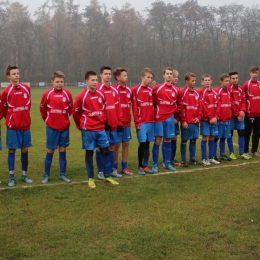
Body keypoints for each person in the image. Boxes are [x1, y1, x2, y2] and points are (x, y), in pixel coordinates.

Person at [73, 70, 119, 188]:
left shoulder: (101, 94)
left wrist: (103, 121)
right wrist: (81, 125)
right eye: (92, 80)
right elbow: (76, 113)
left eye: (96, 80)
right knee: (89, 153)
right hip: (88, 130)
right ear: (86, 81)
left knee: (105, 151)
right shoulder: (81, 97)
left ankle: (107, 175)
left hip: (100, 129)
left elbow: (103, 110)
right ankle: (91, 178)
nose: (95, 82)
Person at [1, 65, 33, 187]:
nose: (16, 75)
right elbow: (3, 109)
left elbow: (28, 105)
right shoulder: (6, 92)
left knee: (25, 149)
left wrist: (24, 117)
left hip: (25, 125)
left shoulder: (26, 88)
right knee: (12, 150)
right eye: (14, 74)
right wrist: (12, 119)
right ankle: (11, 177)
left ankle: (24, 175)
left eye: (17, 73)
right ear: (8, 76)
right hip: (13, 127)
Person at [40, 71, 73, 184]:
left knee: (63, 150)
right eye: (57, 82)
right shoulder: (47, 94)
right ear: (52, 82)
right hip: (52, 128)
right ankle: (46, 175)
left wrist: (63, 120)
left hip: (64, 128)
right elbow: (42, 109)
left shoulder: (67, 94)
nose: (59, 84)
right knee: (50, 150)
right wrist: (48, 121)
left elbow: (70, 109)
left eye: (61, 82)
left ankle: (62, 174)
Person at [95, 66, 123, 179]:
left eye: (109, 74)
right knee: (101, 148)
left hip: (113, 125)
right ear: (100, 75)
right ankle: (100, 171)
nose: (108, 76)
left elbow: (118, 108)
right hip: (102, 126)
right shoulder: (98, 90)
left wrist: (119, 122)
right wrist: (103, 121)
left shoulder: (114, 90)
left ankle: (111, 169)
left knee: (112, 146)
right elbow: (97, 109)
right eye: (105, 73)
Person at [152, 67, 178, 172]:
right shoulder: (158, 88)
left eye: (171, 74)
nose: (169, 75)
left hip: (170, 118)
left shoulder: (176, 90)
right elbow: (153, 102)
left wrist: (177, 117)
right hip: (159, 118)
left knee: (168, 140)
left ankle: (167, 163)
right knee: (158, 140)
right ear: (163, 75)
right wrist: (153, 91)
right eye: (167, 73)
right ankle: (154, 164)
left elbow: (179, 104)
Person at [132, 68, 155, 175]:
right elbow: (135, 108)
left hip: (151, 121)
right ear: (142, 77)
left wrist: (154, 91)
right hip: (142, 122)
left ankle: (145, 165)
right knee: (142, 143)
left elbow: (155, 103)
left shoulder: (151, 90)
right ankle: (139, 166)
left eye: (151, 78)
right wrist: (137, 122)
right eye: (148, 77)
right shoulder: (135, 90)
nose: (149, 80)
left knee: (147, 144)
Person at [113, 67, 134, 176]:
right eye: (124, 75)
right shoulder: (113, 90)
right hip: (117, 123)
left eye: (126, 75)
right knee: (116, 145)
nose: (126, 77)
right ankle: (114, 167)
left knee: (126, 143)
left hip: (127, 122)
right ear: (118, 77)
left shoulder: (129, 90)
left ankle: (124, 167)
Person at [179, 72, 202, 167]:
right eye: (192, 81)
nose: (194, 82)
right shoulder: (182, 92)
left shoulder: (197, 92)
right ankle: (183, 159)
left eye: (195, 80)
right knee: (184, 140)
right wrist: (183, 120)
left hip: (195, 122)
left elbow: (200, 107)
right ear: (187, 81)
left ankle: (192, 159)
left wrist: (199, 118)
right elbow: (181, 108)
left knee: (193, 140)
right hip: (187, 122)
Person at [227, 71, 250, 160]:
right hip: (232, 116)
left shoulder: (241, 88)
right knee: (230, 134)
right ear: (229, 79)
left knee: (241, 133)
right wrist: (237, 114)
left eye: (236, 78)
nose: (235, 80)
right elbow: (231, 103)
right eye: (233, 78)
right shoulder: (228, 89)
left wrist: (243, 111)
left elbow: (244, 101)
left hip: (240, 115)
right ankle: (231, 153)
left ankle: (242, 153)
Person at [199, 74, 220, 165]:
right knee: (205, 138)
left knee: (212, 137)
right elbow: (203, 107)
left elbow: (218, 105)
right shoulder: (201, 92)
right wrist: (210, 117)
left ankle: (211, 157)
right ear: (202, 82)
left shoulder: (215, 92)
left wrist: (216, 117)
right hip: (206, 120)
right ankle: (204, 158)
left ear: (211, 81)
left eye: (209, 80)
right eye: (205, 80)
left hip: (214, 119)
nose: (207, 82)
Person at [213, 73, 232, 161]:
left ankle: (222, 154)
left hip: (227, 119)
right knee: (217, 137)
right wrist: (218, 116)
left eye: (229, 81)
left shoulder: (228, 91)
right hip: (220, 120)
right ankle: (213, 155)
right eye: (226, 81)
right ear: (221, 82)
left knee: (224, 137)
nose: (228, 82)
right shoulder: (218, 91)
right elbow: (217, 105)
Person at [243, 66, 260, 158]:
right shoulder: (247, 84)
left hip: (258, 114)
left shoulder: (259, 84)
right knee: (247, 134)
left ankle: (254, 151)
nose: (255, 74)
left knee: (257, 134)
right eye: (253, 73)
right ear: (250, 73)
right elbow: (244, 98)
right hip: (249, 114)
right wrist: (245, 110)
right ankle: (245, 151)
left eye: (256, 73)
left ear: (258, 73)